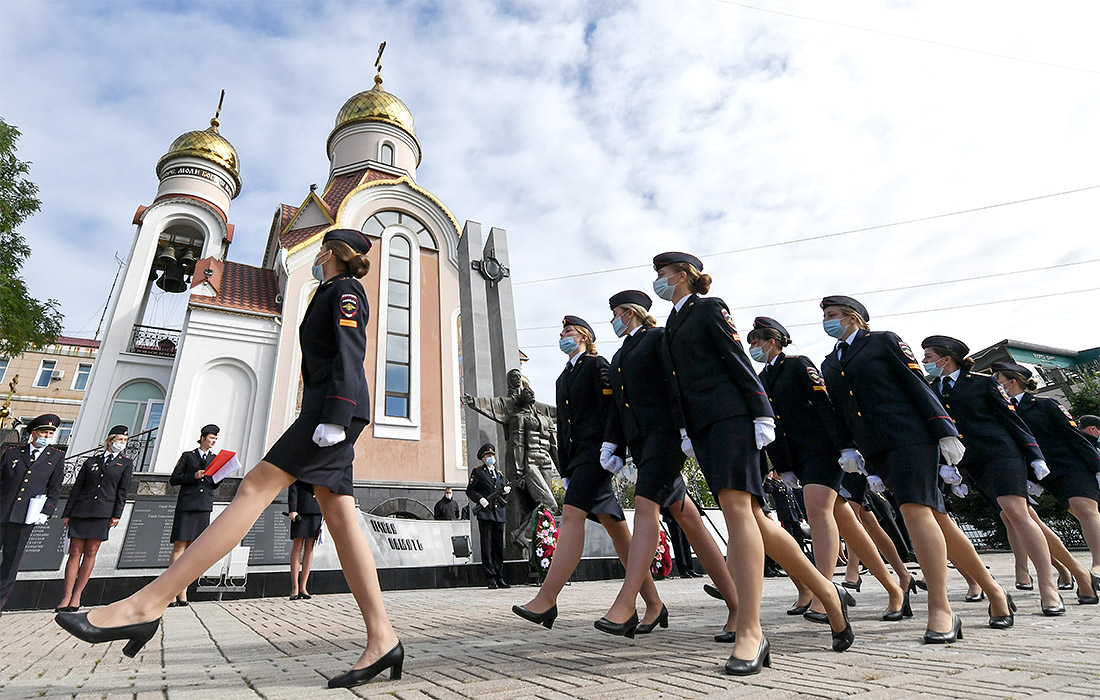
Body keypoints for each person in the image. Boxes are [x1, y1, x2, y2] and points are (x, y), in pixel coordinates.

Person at [57, 228, 403, 689]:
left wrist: (336, 416)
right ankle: (383, 638)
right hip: (325, 410)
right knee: (340, 518)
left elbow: (350, 352)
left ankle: (145, 605)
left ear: (332, 253)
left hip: (330, 412)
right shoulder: (329, 290)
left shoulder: (345, 291)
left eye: (323, 248)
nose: (318, 254)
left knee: (254, 487)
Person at [654, 254, 853, 676]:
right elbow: (675, 383)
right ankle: (827, 592)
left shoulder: (709, 308)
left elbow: (736, 359)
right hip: (703, 428)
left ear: (683, 276)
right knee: (758, 520)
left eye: (663, 274)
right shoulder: (672, 323)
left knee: (737, 511)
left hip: (732, 418)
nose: (659, 280)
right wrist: (685, 427)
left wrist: (761, 412)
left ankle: (750, 629)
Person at [819, 296, 1013, 644]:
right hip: (875, 447)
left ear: (853, 317)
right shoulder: (830, 362)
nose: (826, 321)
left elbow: (916, 384)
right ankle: (995, 590)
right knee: (936, 519)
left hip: (912, 437)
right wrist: (847, 447)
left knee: (914, 511)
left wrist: (945, 430)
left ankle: (941, 607)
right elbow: (841, 409)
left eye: (832, 314)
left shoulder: (883, 341)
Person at [595, 290, 739, 641]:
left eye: (616, 313)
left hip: (666, 436)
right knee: (690, 520)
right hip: (642, 442)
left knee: (645, 506)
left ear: (630, 313)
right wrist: (612, 443)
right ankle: (737, 605)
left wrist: (686, 429)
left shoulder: (657, 338)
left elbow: (677, 383)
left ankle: (626, 603)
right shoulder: (620, 354)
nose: (613, 320)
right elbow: (618, 406)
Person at [749, 317, 912, 622]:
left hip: (823, 449)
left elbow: (823, 404)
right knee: (848, 523)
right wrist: (784, 466)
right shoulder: (762, 377)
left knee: (817, 511)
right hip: (799, 456)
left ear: (771, 342)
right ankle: (895, 589)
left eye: (756, 342)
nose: (753, 348)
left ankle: (824, 594)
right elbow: (774, 426)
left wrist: (846, 447)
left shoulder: (798, 365)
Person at [921, 336, 1097, 614]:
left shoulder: (982, 382)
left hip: (1002, 454)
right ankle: (1079, 573)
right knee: (1020, 516)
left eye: (929, 356)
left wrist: (1034, 456)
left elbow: (1011, 420)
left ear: (947, 358)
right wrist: (947, 466)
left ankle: (1048, 587)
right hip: (971, 463)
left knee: (1017, 513)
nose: (925, 362)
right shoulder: (931, 390)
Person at [514, 315, 664, 634]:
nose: (562, 335)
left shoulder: (598, 366)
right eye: (561, 332)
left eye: (568, 331)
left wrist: (614, 448)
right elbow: (563, 430)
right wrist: (565, 468)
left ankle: (547, 598)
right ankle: (654, 604)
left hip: (598, 454)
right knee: (617, 530)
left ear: (583, 336)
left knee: (571, 515)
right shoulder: (562, 378)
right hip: (578, 459)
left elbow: (612, 411)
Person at [994, 361, 1100, 584]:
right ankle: (1064, 568)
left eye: (998, 378)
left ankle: (1098, 564)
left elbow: (1074, 436)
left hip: (1069, 465)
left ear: (1012, 381)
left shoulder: (1044, 404)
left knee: (1083, 507)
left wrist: (1097, 468)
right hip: (1035, 474)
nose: (995, 383)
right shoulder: (1000, 410)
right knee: (1016, 517)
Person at [56, 425, 135, 612]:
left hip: (103, 511)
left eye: (125, 440)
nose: (122, 443)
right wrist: (67, 513)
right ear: (110, 441)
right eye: (120, 440)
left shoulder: (125, 463)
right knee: (75, 551)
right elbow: (77, 488)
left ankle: (77, 595)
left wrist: (117, 514)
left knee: (91, 551)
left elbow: (122, 491)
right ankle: (66, 595)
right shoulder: (92, 461)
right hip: (81, 510)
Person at [1, 414, 66, 614]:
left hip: (25, 517)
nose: (47, 436)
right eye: (44, 432)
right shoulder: (12, 453)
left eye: (50, 433)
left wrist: (46, 512)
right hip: (2, 512)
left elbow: (55, 489)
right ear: (33, 433)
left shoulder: (55, 457)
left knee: (11, 562)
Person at [166, 423, 219, 607]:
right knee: (179, 546)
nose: (213, 441)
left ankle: (183, 592)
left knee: (192, 550)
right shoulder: (188, 456)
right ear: (202, 438)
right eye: (211, 437)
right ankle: (170, 592)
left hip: (203, 506)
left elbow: (213, 484)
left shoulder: (214, 459)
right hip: (187, 504)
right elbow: (174, 479)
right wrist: (193, 476)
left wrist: (220, 476)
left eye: (216, 439)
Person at [466, 444, 509, 589]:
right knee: (487, 546)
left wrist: (505, 492)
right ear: (483, 458)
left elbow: (501, 493)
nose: (491, 458)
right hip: (486, 513)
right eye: (488, 456)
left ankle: (499, 576)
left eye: (492, 455)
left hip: (498, 514)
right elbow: (470, 490)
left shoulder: (499, 474)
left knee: (498, 546)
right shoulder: (478, 472)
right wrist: (480, 499)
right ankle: (490, 577)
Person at [287, 480, 322, 600]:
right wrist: (292, 509)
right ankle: (295, 587)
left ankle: (303, 587)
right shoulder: (301, 468)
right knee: (297, 546)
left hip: (317, 509)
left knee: (310, 547)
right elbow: (293, 486)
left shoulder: (320, 470)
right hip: (300, 510)